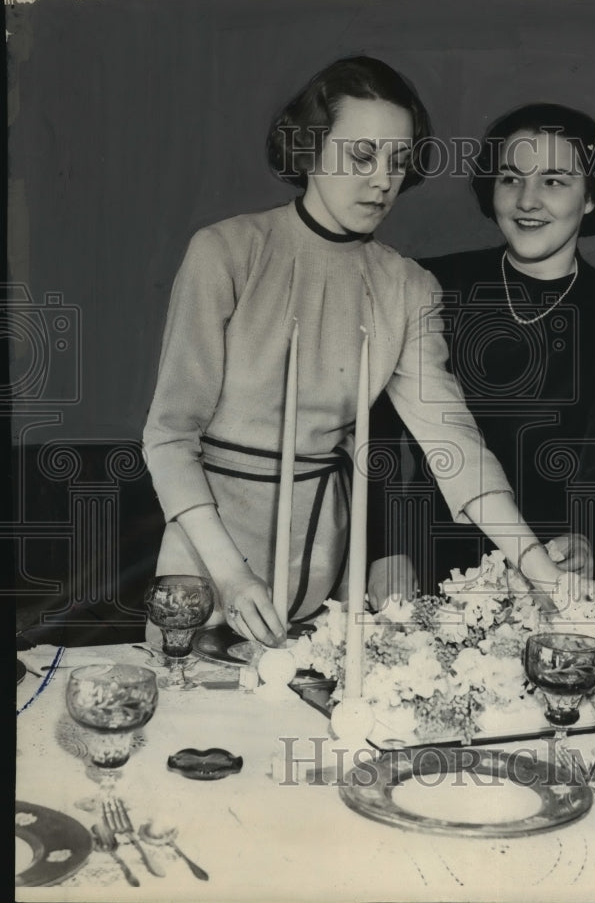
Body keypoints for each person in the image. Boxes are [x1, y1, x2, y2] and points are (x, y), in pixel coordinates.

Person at [142, 58, 569, 647]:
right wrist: (230, 576)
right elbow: (167, 438)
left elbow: (454, 445)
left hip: (324, 558)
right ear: (309, 146)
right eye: (362, 157)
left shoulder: (406, 286)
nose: (383, 182)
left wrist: (537, 564)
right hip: (205, 557)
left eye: (398, 162)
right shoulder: (226, 252)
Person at [369, 103, 595, 596]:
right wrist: (384, 547)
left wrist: (589, 541)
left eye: (554, 182)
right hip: (419, 565)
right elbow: (373, 436)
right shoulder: (428, 287)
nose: (527, 201)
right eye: (511, 179)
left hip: (546, 580)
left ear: (590, 197)